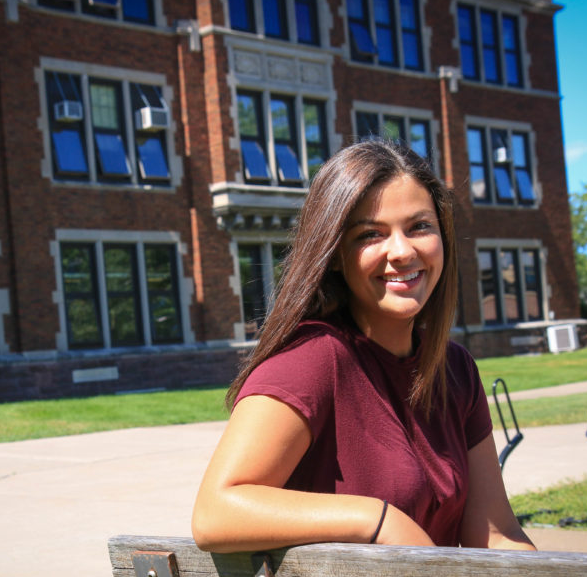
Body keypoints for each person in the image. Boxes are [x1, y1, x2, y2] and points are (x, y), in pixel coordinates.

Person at [191, 138, 535, 553]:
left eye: (419, 227)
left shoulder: (455, 369)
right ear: (334, 254)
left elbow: (495, 534)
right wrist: (377, 519)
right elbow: (215, 512)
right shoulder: (311, 361)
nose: (402, 251)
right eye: (370, 234)